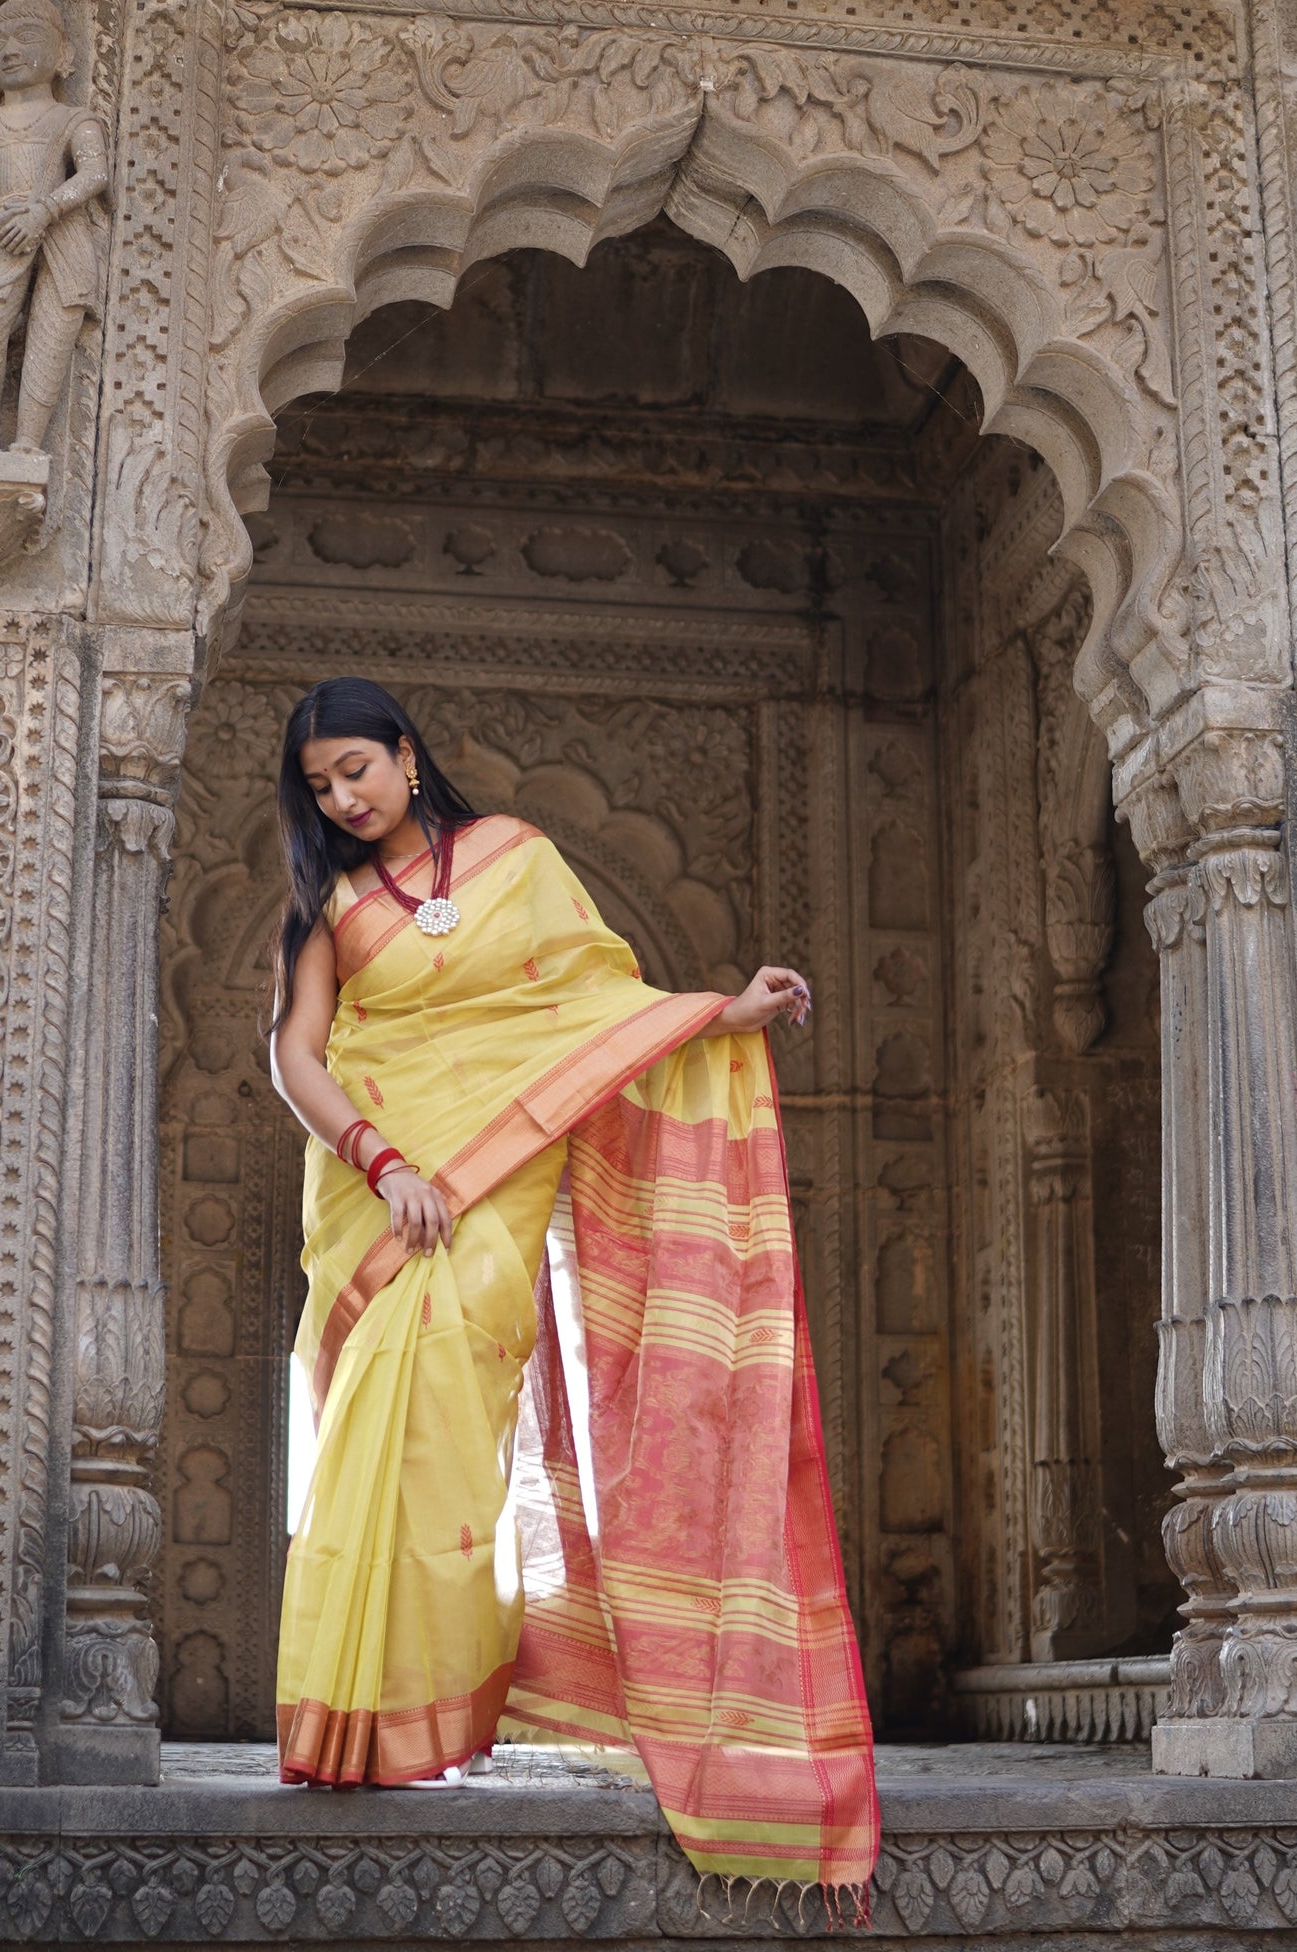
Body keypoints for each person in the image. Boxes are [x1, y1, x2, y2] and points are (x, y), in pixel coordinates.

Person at [268, 676, 878, 1903]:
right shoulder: (325, 907)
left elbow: (589, 1010)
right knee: (384, 1400)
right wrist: (382, 1164)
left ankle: (431, 1708)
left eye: (356, 770)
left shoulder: (515, 858)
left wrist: (721, 1013)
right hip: (384, 1189)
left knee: (451, 1413)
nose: (343, 798)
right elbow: (294, 1054)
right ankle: (359, 1715)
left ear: (403, 751)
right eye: (321, 786)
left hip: (496, 1182)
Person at [0, 0, 107, 455]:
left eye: (27, 37)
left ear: (64, 55)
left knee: (53, 331)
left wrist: (46, 210)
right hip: (6, 229)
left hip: (58, 230)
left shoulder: (73, 118)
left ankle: (29, 440)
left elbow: (95, 174)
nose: (11, 50)